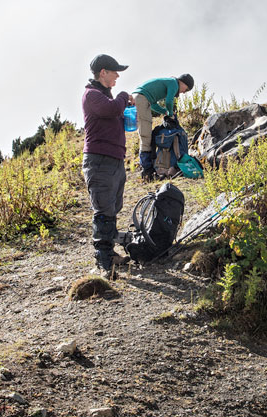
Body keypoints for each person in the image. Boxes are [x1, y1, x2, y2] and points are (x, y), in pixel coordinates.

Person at [82, 54, 132, 277]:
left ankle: (110, 254)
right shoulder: (91, 95)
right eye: (114, 72)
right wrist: (122, 97)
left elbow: (114, 113)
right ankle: (103, 263)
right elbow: (111, 110)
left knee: (112, 208)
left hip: (113, 160)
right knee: (103, 210)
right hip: (99, 160)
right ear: (103, 72)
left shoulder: (105, 97)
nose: (118, 75)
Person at [131, 73, 194, 180]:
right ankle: (147, 169)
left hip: (140, 97)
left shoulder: (169, 82)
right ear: (182, 82)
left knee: (146, 132)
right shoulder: (174, 83)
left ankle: (147, 168)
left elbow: (154, 104)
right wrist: (170, 113)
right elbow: (169, 101)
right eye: (186, 89)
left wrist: (164, 112)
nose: (184, 92)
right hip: (141, 98)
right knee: (146, 135)